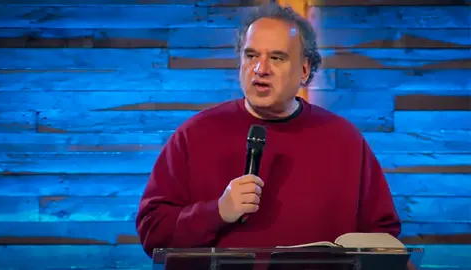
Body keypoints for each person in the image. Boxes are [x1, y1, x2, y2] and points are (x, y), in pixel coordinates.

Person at [135, 3, 401, 257]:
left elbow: (382, 236)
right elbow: (153, 231)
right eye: (251, 56)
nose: (260, 69)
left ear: (305, 70)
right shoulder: (194, 135)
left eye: (277, 58)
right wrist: (216, 212)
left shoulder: (344, 140)